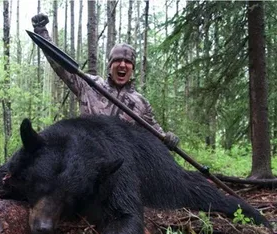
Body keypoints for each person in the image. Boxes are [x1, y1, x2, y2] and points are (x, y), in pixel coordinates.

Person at [31, 13, 179, 148]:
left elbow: (157, 135)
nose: (122, 65)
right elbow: (61, 66)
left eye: (127, 62)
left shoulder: (141, 103)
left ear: (132, 68)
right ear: (110, 65)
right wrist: (42, 32)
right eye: (118, 60)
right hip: (88, 157)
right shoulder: (88, 84)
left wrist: (169, 138)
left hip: (122, 165)